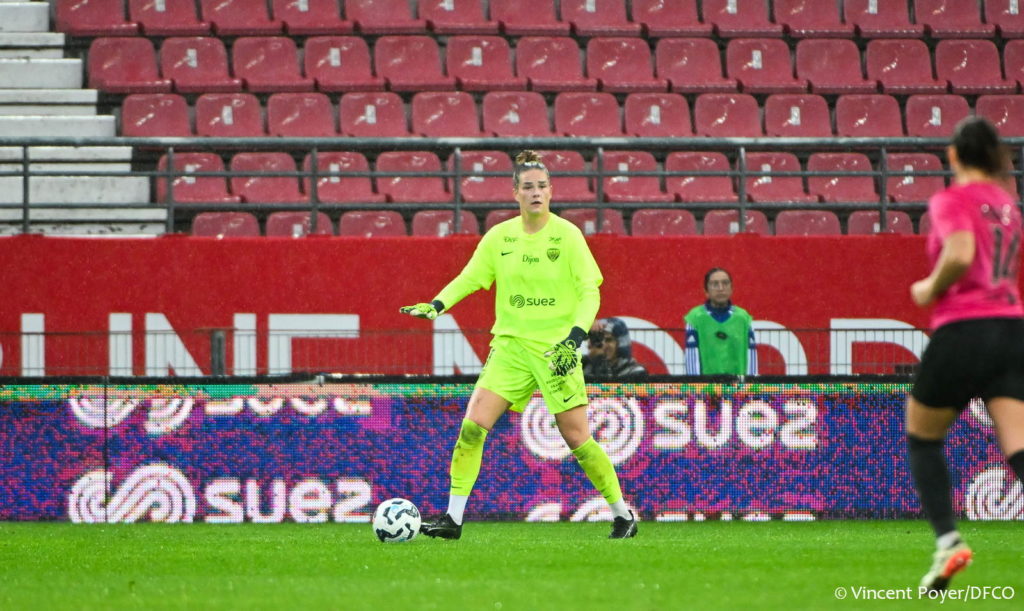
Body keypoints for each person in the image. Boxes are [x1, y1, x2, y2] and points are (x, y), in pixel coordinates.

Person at [400, 150, 637, 540]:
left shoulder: (568, 236)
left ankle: (622, 515)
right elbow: (471, 277)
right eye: (528, 187)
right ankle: (453, 520)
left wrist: (573, 339)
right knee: (472, 428)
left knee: (577, 438)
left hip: (556, 352)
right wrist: (437, 304)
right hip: (510, 347)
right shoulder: (500, 237)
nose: (536, 192)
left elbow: (589, 292)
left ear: (551, 191)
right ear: (515, 193)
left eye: (542, 186)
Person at [906, 116, 1024, 592]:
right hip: (1012, 329)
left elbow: (958, 252)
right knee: (1018, 445)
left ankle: (948, 541)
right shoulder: (1007, 204)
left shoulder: (952, 199)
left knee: (922, 437)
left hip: (964, 327)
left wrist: (928, 287)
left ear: (953, 154)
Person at [683, 268, 757, 376]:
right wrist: (695, 384)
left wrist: (751, 384)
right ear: (706, 291)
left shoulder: (743, 318)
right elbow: (691, 356)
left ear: (732, 289)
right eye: (715, 284)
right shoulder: (695, 318)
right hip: (707, 385)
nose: (721, 288)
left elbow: (751, 354)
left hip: (737, 385)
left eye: (725, 283)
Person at [582, 317, 647, 378]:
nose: (603, 345)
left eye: (608, 340)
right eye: (599, 340)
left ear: (621, 343)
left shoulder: (635, 372)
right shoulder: (589, 368)